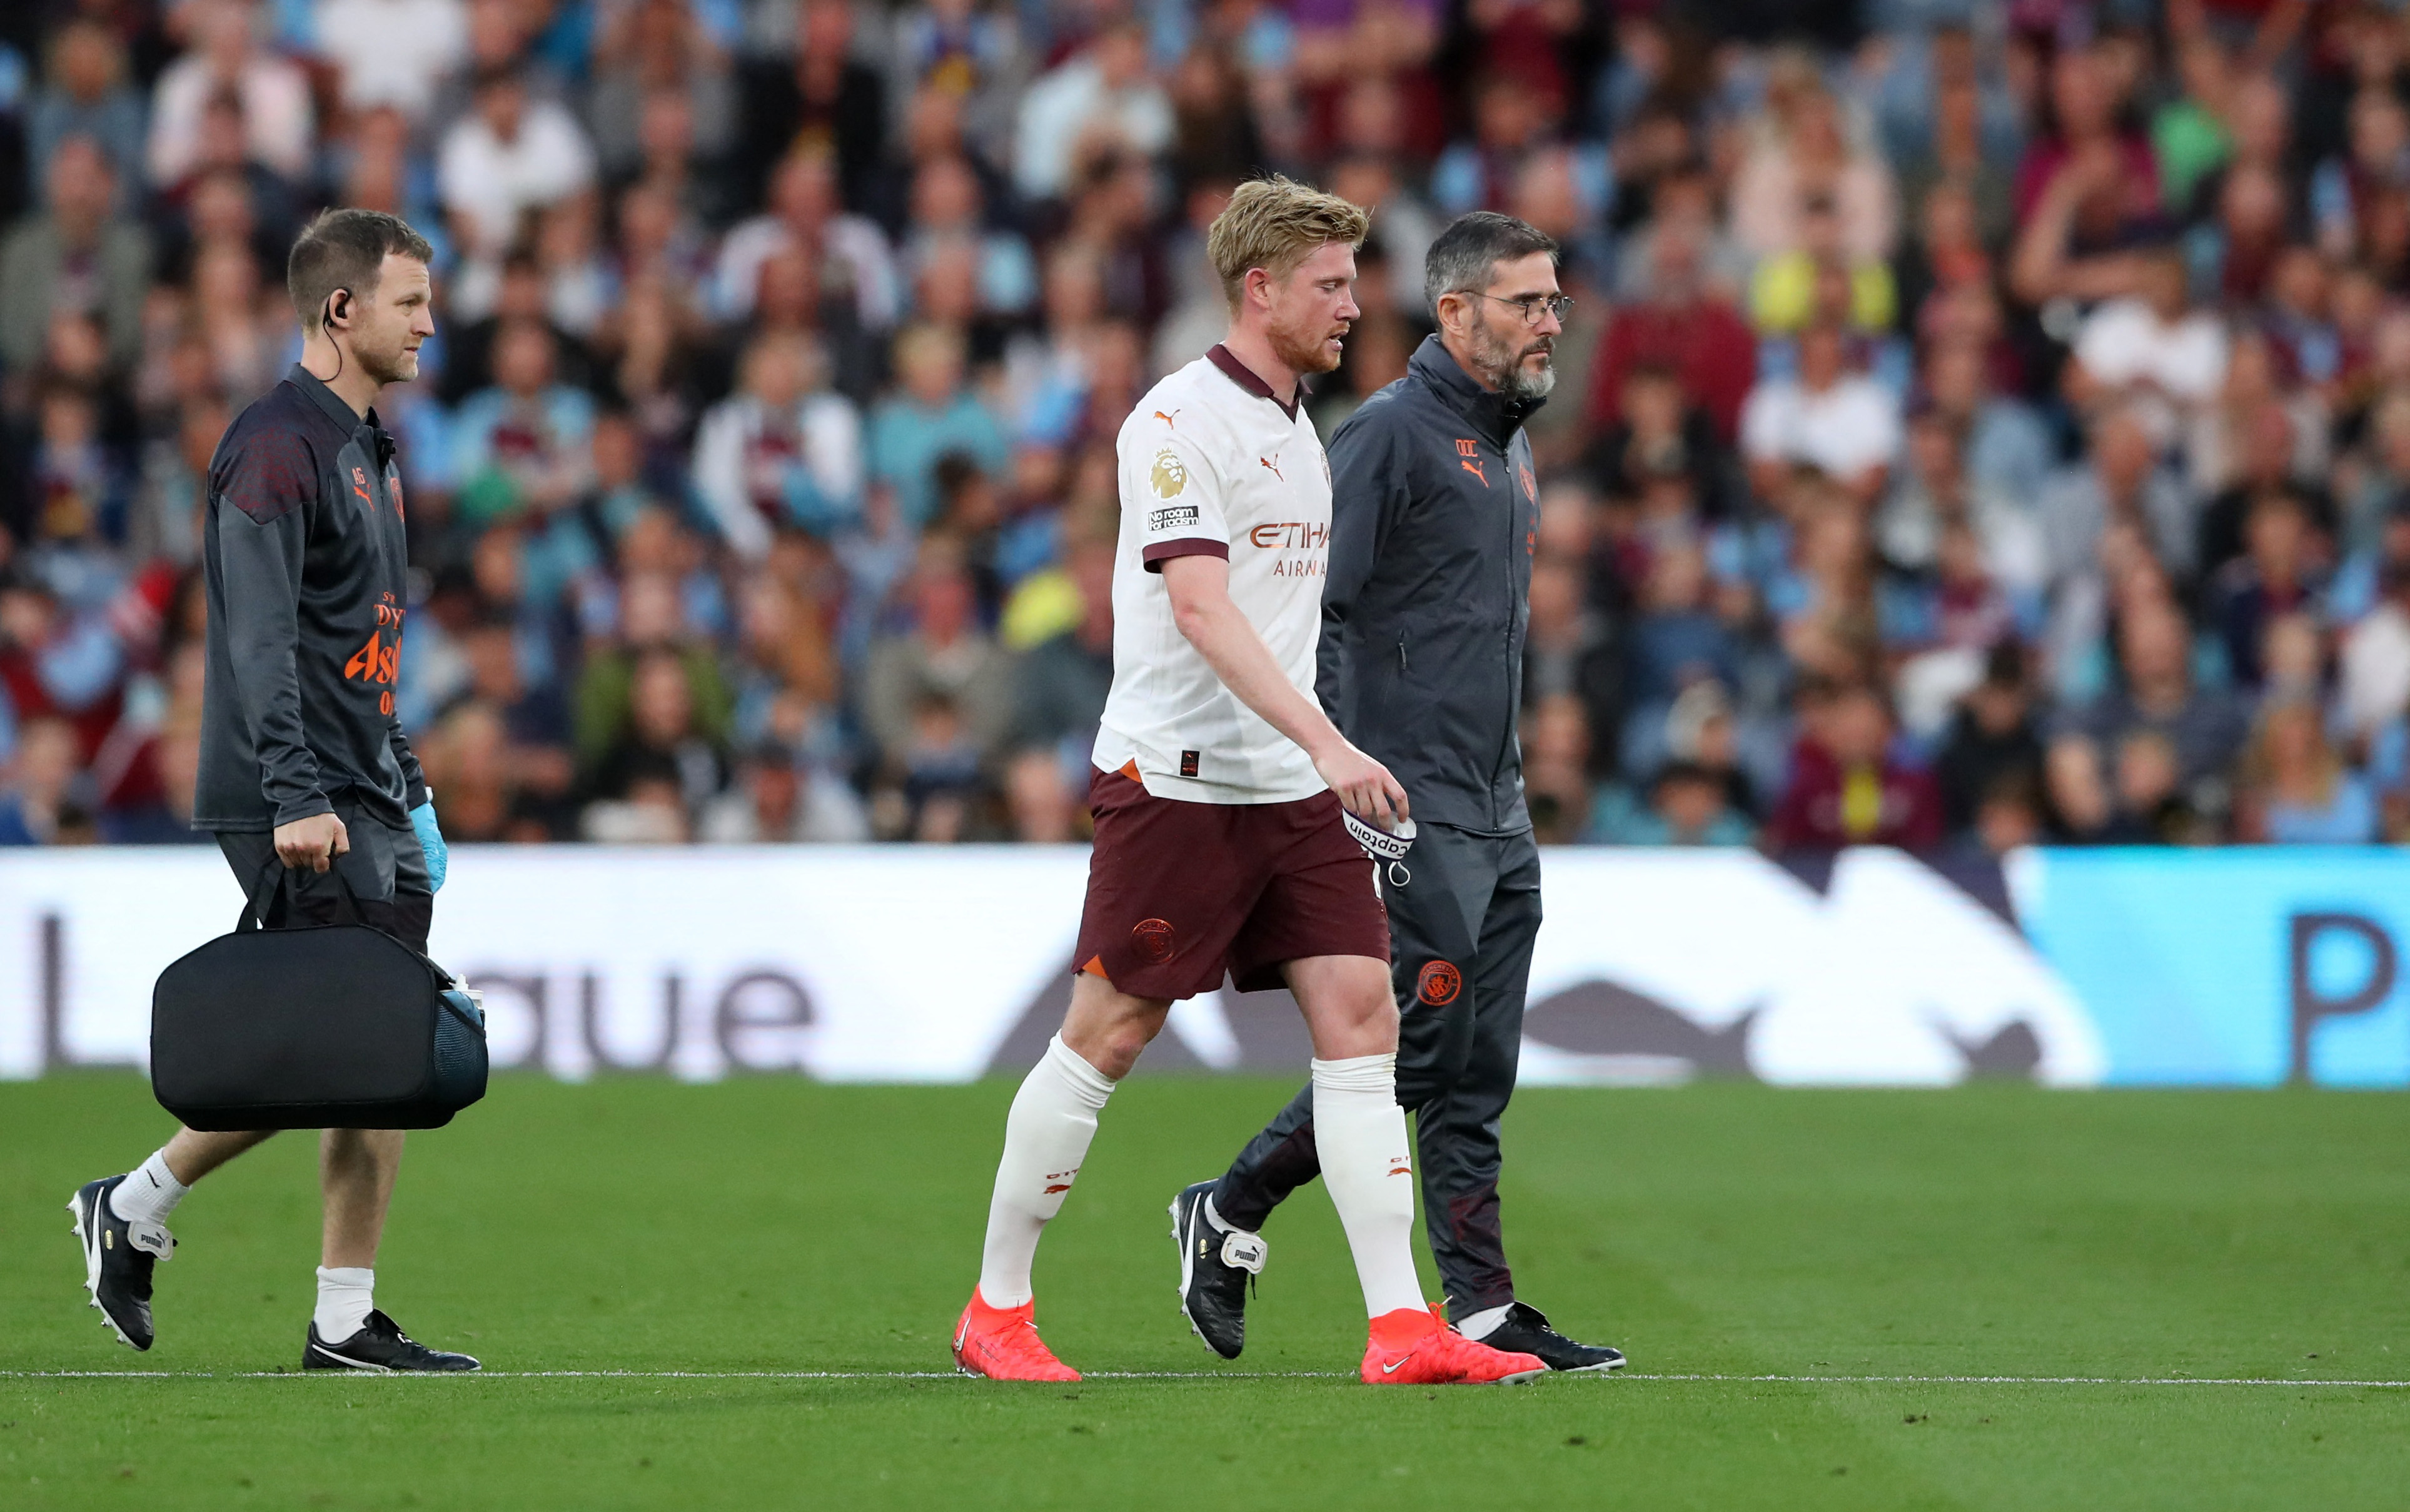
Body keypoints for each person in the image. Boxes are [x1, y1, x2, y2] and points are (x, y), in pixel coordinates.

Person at [951, 178, 1546, 1388]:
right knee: (1108, 1033)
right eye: (1329, 283)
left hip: (1287, 790)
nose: (1353, 303)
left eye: (1354, 279)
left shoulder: (1295, 429)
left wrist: (1316, 759)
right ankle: (995, 1307)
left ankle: (1400, 1329)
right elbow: (1201, 607)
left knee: (1363, 1021)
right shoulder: (1176, 423)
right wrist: (1335, 743)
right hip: (1177, 784)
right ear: (1258, 287)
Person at [1176, 213, 1626, 1376]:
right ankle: (1225, 1208)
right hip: (1406, 803)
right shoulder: (1386, 437)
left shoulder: (1507, 443)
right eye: (1525, 303)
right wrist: (1341, 767)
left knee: (1478, 1067)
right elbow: (1310, 612)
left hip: (1496, 802)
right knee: (1417, 1055)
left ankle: (1479, 1308)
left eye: (1554, 301)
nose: (1549, 322)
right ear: (1456, 313)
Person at [69, 209, 476, 1374]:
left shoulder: (369, 446)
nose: (428, 322)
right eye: (409, 301)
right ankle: (133, 1203)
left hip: (368, 786)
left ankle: (344, 1319)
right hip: (294, 794)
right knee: (341, 1040)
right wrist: (302, 795)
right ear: (341, 311)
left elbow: (364, 641)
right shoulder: (276, 447)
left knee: (381, 1050)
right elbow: (258, 639)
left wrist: (406, 783)